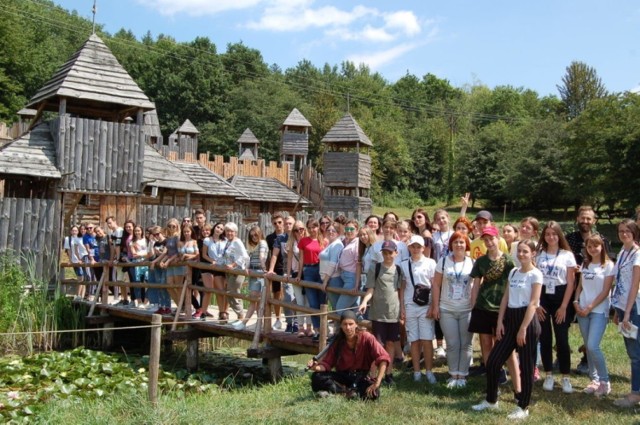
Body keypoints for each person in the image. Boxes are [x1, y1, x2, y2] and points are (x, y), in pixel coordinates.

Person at [472, 239, 543, 420]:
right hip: (509, 319)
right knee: (494, 361)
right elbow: (505, 298)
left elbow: (534, 303)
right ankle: (491, 400)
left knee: (526, 366)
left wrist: (523, 329)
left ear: (533, 254)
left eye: (525, 251)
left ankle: (523, 406)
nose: (521, 255)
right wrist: (500, 322)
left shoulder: (536, 275)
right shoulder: (513, 272)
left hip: (527, 321)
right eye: (519, 251)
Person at [469, 226, 520, 392]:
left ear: (498, 239)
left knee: (505, 346)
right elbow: (476, 284)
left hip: (502, 309)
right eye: (486, 240)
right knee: (485, 343)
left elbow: (513, 284)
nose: (489, 242)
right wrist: (473, 304)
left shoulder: (508, 261)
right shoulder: (481, 262)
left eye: (491, 239)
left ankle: (517, 384)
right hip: (483, 307)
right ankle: (493, 379)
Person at [307, 310, 390, 400]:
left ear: (356, 324)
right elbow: (327, 363)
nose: (348, 327)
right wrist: (315, 367)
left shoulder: (367, 338)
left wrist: (377, 383)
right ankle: (346, 392)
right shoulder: (337, 341)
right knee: (317, 377)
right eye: (345, 324)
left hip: (360, 377)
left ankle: (342, 392)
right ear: (341, 326)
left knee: (374, 393)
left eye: (351, 324)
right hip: (343, 377)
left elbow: (383, 358)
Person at [536, 221, 577, 393]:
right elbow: (535, 280)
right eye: (547, 234)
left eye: (554, 234)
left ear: (559, 235)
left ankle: (566, 376)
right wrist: (537, 304)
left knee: (562, 339)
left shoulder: (567, 255)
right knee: (544, 337)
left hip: (561, 297)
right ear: (544, 236)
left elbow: (571, 283)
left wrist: (564, 306)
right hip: (543, 296)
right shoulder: (539, 255)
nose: (551, 237)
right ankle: (549, 375)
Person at [430, 231, 474, 388]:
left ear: (466, 244)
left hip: (466, 309)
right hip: (446, 309)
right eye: (455, 242)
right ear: (451, 245)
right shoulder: (443, 261)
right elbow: (436, 284)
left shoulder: (472, 262)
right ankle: (453, 374)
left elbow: (476, 286)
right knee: (453, 343)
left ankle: (463, 375)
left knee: (466, 344)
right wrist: (435, 306)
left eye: (462, 242)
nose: (459, 245)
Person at [574, 234, 614, 397]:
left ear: (602, 247)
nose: (592, 249)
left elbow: (606, 291)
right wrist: (576, 302)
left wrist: (589, 307)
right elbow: (580, 287)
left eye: (595, 246)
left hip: (598, 310)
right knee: (587, 346)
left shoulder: (609, 265)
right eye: (589, 246)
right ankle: (594, 379)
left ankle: (605, 381)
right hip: (582, 310)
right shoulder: (586, 264)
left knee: (592, 345)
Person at [358, 240, 402, 385]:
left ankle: (388, 373)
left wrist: (403, 310)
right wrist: (364, 302)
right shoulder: (375, 268)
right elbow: (370, 288)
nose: (387, 255)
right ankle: (373, 374)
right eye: (384, 252)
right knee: (377, 344)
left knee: (390, 343)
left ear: (396, 253)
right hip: (378, 312)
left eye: (390, 252)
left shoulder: (399, 270)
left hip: (393, 313)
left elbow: (400, 291)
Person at [400, 235, 438, 383]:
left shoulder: (430, 263)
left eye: (418, 247)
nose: (415, 249)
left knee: (427, 339)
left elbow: (434, 285)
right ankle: (416, 372)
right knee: (413, 340)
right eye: (413, 246)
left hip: (425, 306)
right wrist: (402, 307)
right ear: (409, 248)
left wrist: (433, 306)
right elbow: (402, 288)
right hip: (410, 305)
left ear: (423, 248)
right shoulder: (404, 264)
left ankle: (429, 371)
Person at [611, 219, 640, 407]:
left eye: (627, 231)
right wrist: (617, 310)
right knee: (632, 351)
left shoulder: (637, 254)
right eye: (621, 231)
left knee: (636, 353)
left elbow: (635, 285)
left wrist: (628, 312)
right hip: (623, 307)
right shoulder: (623, 252)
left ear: (634, 232)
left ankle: (636, 393)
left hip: (634, 307)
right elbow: (619, 282)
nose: (624, 234)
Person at [232, 225, 268, 330]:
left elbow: (262, 256)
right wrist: (247, 267)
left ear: (259, 234)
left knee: (255, 300)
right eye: (252, 236)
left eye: (256, 235)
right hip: (253, 272)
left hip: (259, 272)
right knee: (254, 300)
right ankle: (258, 323)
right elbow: (249, 258)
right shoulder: (253, 246)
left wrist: (263, 267)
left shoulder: (262, 243)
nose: (254, 237)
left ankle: (245, 323)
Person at [297, 218, 326, 340]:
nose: (312, 230)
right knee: (312, 302)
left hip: (320, 269)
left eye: (314, 227)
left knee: (322, 301)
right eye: (309, 228)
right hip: (308, 270)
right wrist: (299, 274)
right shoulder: (303, 241)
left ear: (318, 227)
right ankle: (317, 330)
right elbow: (301, 259)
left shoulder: (324, 240)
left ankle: (324, 329)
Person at [283, 220, 310, 336]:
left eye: (301, 229)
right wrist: (288, 274)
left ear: (305, 229)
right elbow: (289, 259)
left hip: (308, 272)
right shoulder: (291, 243)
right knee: (299, 301)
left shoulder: (309, 240)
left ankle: (309, 327)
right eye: (296, 230)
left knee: (309, 301)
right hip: (296, 272)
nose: (299, 232)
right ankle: (300, 327)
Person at [219, 222, 248, 325]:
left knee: (232, 293)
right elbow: (225, 256)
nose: (229, 233)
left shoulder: (237, 242)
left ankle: (241, 316)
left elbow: (244, 256)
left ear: (235, 232)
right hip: (229, 272)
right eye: (227, 231)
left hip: (237, 271)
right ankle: (240, 315)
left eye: (231, 231)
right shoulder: (228, 242)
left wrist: (233, 265)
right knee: (233, 293)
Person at [266, 214, 287, 330]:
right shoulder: (270, 238)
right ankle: (278, 318)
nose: (277, 225)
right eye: (275, 223)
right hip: (276, 268)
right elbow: (269, 255)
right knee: (277, 293)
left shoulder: (289, 235)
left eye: (279, 222)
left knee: (289, 295)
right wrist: (268, 268)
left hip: (288, 268)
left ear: (283, 222)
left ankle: (291, 319)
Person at [336, 220, 360, 313]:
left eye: (352, 229)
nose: (349, 231)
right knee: (354, 309)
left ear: (357, 231)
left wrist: (357, 284)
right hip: (345, 276)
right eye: (347, 229)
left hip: (351, 278)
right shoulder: (349, 242)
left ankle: (343, 327)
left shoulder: (357, 244)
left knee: (340, 308)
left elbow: (358, 264)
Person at [320, 222, 345, 313]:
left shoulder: (337, 244)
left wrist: (326, 280)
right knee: (335, 308)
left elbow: (332, 264)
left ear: (338, 233)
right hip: (329, 279)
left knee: (337, 308)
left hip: (333, 279)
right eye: (328, 230)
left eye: (333, 230)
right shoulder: (331, 244)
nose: (330, 232)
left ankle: (339, 327)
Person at [148, 226, 172, 315]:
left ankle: (168, 306)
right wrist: (151, 242)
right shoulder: (155, 244)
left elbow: (165, 253)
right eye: (154, 235)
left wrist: (154, 261)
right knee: (159, 285)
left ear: (162, 232)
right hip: (158, 265)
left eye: (158, 234)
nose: (156, 236)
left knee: (163, 285)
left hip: (164, 265)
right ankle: (161, 306)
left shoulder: (167, 241)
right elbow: (153, 254)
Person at [129, 225, 150, 308]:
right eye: (136, 231)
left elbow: (149, 253)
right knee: (137, 283)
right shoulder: (132, 242)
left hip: (146, 263)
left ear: (142, 231)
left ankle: (146, 301)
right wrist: (144, 254)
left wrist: (142, 255)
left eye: (139, 230)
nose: (137, 232)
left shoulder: (146, 240)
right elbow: (134, 254)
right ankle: (139, 301)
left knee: (148, 282)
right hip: (137, 264)